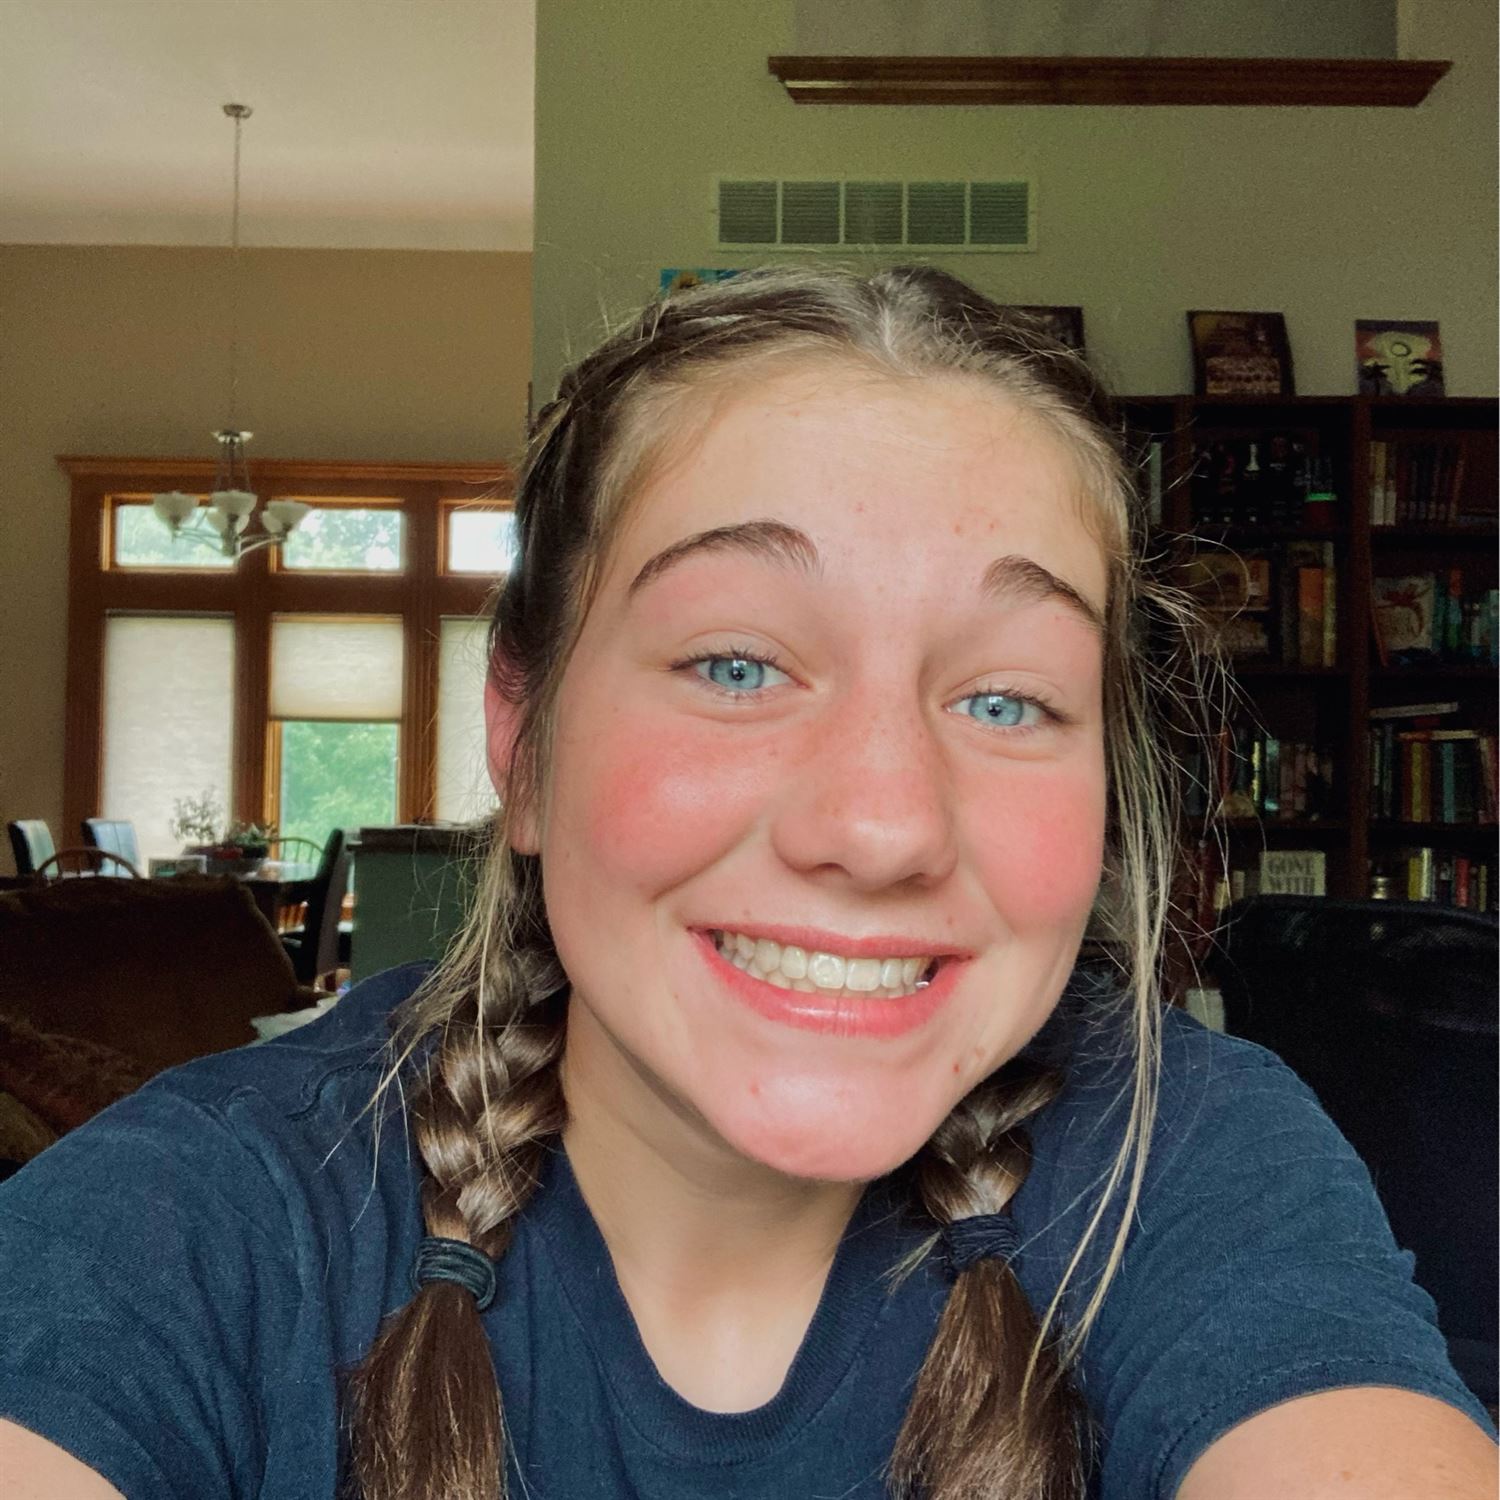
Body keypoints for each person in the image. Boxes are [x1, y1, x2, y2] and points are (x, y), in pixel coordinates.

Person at [1, 266, 1494, 1500]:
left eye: (1005, 698)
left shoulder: (1186, 1157)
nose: (884, 825)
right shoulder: (199, 1217)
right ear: (522, 736)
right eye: (734, 663)